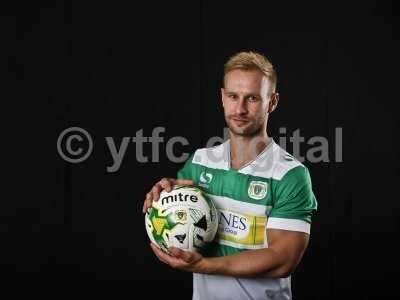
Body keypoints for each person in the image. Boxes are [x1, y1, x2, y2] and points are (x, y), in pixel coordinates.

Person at [142, 51, 318, 300]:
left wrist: (204, 266)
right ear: (222, 98)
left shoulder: (290, 175)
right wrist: (164, 193)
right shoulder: (200, 162)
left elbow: (283, 260)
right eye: (233, 96)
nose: (240, 108)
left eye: (253, 98)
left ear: (273, 101)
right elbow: (178, 213)